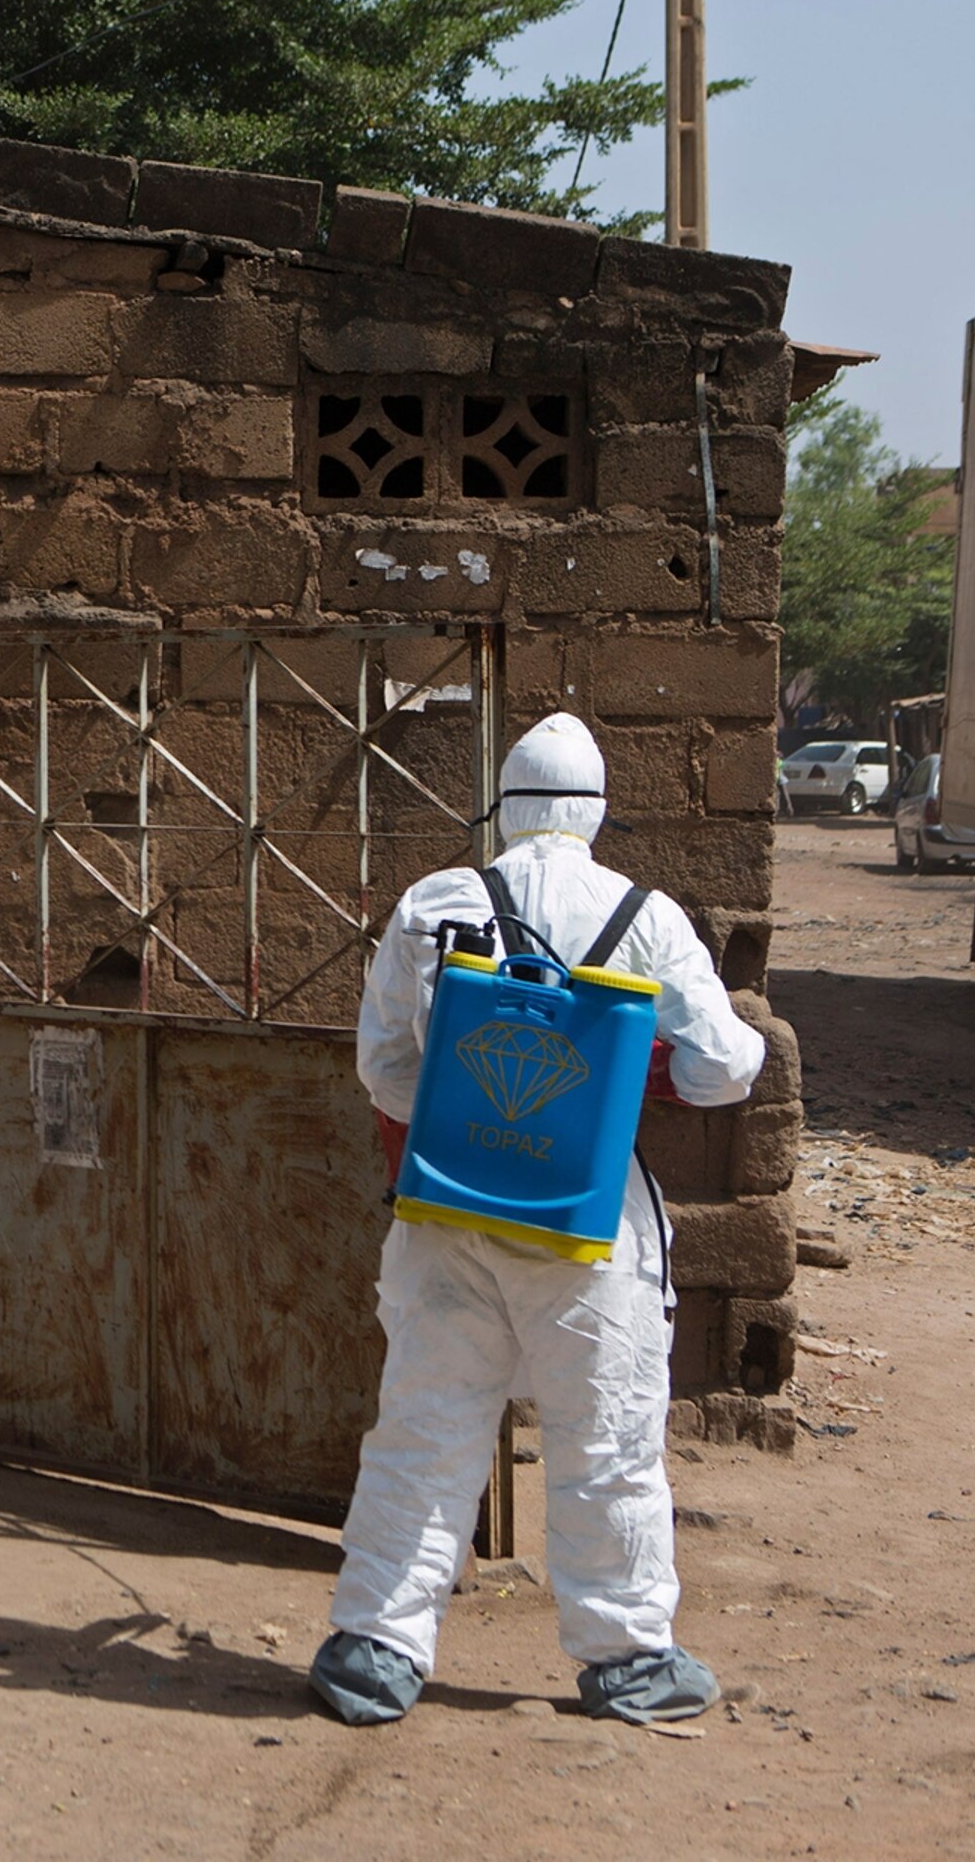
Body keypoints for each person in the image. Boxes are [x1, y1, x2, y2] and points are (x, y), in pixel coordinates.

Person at [315, 712, 766, 1729]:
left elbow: (383, 1071)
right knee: (606, 1438)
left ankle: (373, 1649)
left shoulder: (435, 902)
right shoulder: (644, 916)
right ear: (598, 811)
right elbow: (728, 1065)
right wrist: (637, 1071)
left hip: (445, 1214)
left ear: (504, 806)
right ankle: (628, 1657)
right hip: (587, 1227)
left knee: (424, 1430)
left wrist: (470, 1111)